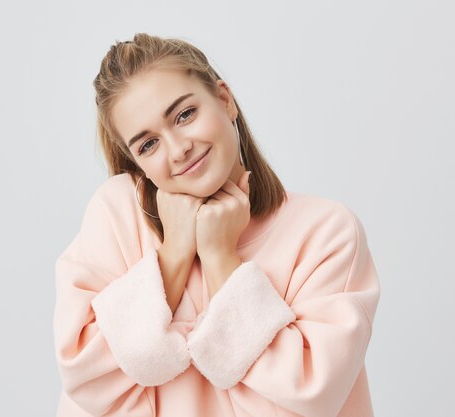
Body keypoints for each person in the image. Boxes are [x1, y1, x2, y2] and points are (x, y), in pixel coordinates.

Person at [53, 33, 380, 417]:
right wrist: (174, 252)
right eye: (148, 145)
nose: (178, 149)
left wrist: (221, 257)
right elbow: (88, 382)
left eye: (184, 115)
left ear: (225, 100)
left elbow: (308, 399)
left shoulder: (326, 233)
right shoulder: (117, 214)